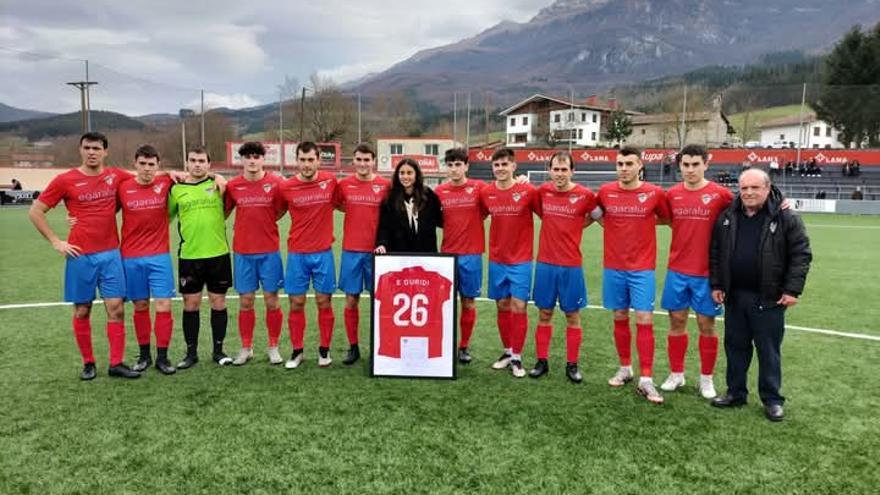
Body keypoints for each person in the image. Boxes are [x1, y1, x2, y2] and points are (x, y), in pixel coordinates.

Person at [28, 132, 139, 380]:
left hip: (111, 254)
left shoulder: (116, 176)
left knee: (117, 308)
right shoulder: (65, 180)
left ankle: (116, 363)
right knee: (82, 310)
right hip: (80, 256)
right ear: (80, 150)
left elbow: (142, 183)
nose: (92, 152)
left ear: (105, 152)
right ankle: (88, 363)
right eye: (87, 147)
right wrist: (56, 241)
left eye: (97, 148)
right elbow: (36, 211)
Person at [709, 168, 812, 422]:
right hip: (735, 296)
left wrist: (792, 289)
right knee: (735, 348)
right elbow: (716, 253)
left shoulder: (786, 217)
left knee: (768, 351)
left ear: (767, 188)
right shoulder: (728, 217)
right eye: (744, 188)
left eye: (755, 188)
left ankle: (772, 399)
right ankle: (735, 392)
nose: (749, 193)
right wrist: (717, 284)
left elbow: (801, 254)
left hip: (769, 298)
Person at [658, 144, 734, 399]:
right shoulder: (672, 194)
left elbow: (745, 212)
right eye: (685, 165)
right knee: (676, 321)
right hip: (677, 270)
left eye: (695, 164)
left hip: (707, 273)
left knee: (706, 324)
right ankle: (676, 374)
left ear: (706, 164)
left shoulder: (721, 195)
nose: (690, 170)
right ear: (679, 165)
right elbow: (663, 219)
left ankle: (706, 379)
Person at [596, 146, 671, 404]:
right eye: (620, 164)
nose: (624, 168)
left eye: (629, 163)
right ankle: (625, 368)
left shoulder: (654, 193)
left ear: (640, 165)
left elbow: (667, 217)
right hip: (613, 266)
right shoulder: (605, 192)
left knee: (644, 318)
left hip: (642, 268)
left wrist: (644, 221)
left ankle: (647, 379)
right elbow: (596, 213)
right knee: (619, 315)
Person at [528, 151, 598, 383]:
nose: (559, 174)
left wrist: (578, 225)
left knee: (572, 315)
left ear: (572, 171)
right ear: (549, 170)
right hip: (546, 264)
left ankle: (572, 365)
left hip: (571, 265)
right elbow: (541, 213)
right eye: (555, 169)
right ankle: (541, 361)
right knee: (544, 313)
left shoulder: (585, 195)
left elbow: (598, 216)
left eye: (564, 169)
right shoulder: (542, 192)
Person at [169, 146, 234, 369]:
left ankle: (218, 350)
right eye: (193, 160)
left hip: (218, 254)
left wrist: (219, 178)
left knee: (218, 302)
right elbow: (163, 218)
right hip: (190, 256)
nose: (197, 164)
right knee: (191, 304)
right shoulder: (176, 190)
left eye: (201, 161)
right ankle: (191, 353)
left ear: (209, 164)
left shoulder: (219, 185)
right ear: (187, 163)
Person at [224, 141, 286, 366]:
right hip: (243, 252)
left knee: (272, 300)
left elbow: (280, 210)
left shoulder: (276, 183)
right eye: (247, 157)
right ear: (242, 160)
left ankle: (273, 346)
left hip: (269, 251)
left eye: (256, 156)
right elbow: (224, 211)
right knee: (246, 301)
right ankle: (246, 348)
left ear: (263, 159)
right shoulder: (233, 186)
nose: (252, 161)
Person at [278, 141, 338, 369]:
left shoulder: (330, 182)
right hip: (297, 254)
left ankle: (324, 350)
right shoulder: (286, 187)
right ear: (297, 161)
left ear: (318, 160)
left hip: (323, 253)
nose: (306, 164)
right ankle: (297, 351)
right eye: (302, 160)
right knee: (296, 302)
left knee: (324, 301)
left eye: (310, 159)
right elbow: (276, 211)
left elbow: (343, 204)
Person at [117, 145, 177, 375]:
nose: (146, 169)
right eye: (142, 164)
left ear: (158, 166)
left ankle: (163, 357)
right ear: (135, 164)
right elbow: (102, 210)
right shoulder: (123, 188)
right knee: (140, 306)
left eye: (151, 164)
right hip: (131, 257)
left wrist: (218, 177)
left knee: (163, 305)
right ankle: (144, 356)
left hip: (159, 256)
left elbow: (195, 175)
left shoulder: (165, 183)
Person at [479, 148, 538, 378]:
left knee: (519, 306)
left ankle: (518, 357)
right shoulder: (486, 192)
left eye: (505, 164)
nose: (501, 169)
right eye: (497, 165)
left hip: (521, 260)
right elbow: (479, 215)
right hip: (497, 259)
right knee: (502, 305)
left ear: (514, 166)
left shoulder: (528, 191)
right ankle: (507, 352)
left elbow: (547, 214)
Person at [335, 143, 390, 365]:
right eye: (359, 159)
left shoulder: (385, 185)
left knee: (381, 301)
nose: (363, 164)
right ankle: (353, 347)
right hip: (351, 250)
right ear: (353, 161)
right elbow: (339, 205)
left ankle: (381, 345)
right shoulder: (344, 185)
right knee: (351, 299)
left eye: (367, 160)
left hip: (378, 252)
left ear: (373, 161)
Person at [435, 148, 485, 364]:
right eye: (450, 164)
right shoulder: (439, 191)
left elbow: (492, 205)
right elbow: (435, 219)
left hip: (472, 254)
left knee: (468, 302)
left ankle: (463, 346)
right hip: (447, 255)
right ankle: (445, 343)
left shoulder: (479, 188)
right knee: (445, 303)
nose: (454, 169)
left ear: (466, 166)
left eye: (458, 164)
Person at [375, 158, 442, 253]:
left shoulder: (429, 196)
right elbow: (384, 226)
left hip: (426, 254)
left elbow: (441, 220)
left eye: (409, 173)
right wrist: (381, 244)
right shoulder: (390, 198)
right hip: (399, 255)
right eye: (402, 173)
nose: (405, 176)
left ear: (416, 175)